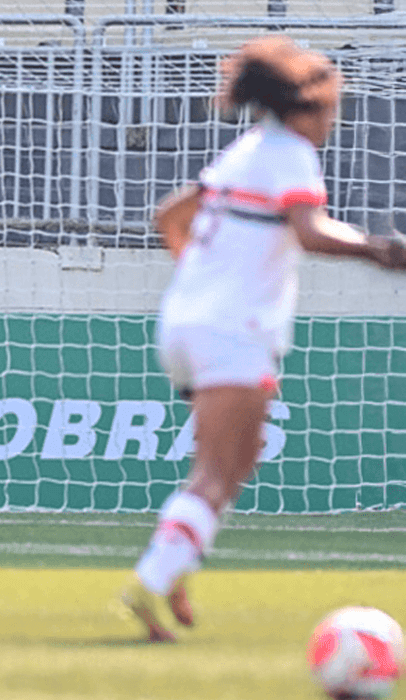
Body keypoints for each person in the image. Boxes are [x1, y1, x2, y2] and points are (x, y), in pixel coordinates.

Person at [120, 35, 406, 642]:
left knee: (221, 467)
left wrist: (206, 273)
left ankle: (172, 565)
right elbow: (308, 231)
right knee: (219, 477)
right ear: (304, 108)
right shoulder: (290, 154)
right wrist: (377, 249)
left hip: (184, 322)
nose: (333, 121)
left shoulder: (243, 152)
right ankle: (150, 580)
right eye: (330, 109)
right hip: (235, 330)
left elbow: (170, 216)